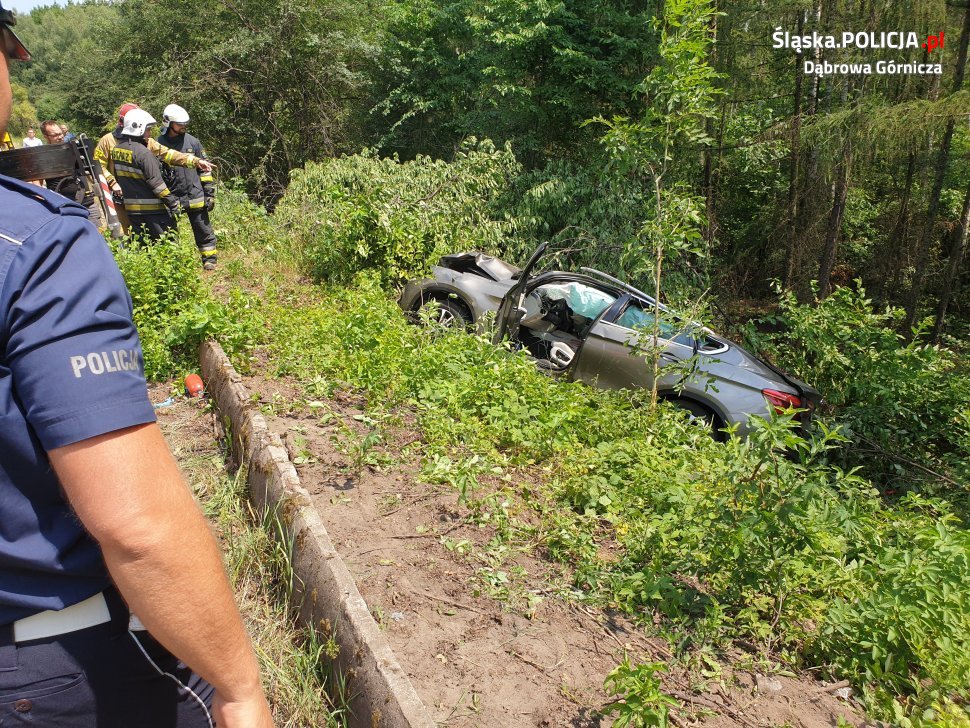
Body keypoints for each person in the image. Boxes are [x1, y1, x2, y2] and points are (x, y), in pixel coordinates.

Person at [0, 5, 274, 727]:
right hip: (55, 671)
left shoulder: (134, 145)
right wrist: (241, 689)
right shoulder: (36, 248)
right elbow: (137, 525)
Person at [95, 102, 213, 233]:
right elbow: (98, 165)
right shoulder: (107, 141)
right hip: (120, 197)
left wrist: (195, 161)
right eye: (148, 128)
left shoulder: (146, 142)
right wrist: (112, 182)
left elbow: (168, 154)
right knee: (125, 232)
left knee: (138, 236)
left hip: (139, 199)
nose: (150, 132)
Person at [159, 103, 218, 269]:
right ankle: (173, 264)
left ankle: (209, 260)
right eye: (179, 124)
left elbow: (205, 171)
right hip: (171, 197)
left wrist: (209, 194)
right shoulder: (158, 145)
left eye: (185, 124)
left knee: (203, 230)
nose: (183, 127)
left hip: (195, 196)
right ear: (168, 123)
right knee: (169, 233)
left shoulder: (193, 142)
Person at [112, 108, 182, 242]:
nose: (149, 133)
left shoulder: (117, 150)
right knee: (168, 244)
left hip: (133, 211)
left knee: (144, 247)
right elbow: (156, 183)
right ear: (138, 128)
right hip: (154, 212)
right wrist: (173, 204)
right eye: (148, 129)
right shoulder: (143, 153)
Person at [40, 118, 105, 229]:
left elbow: (90, 171)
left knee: (99, 235)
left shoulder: (73, 149)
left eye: (60, 133)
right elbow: (37, 184)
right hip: (65, 207)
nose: (60, 136)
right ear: (46, 137)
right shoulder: (43, 156)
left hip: (87, 203)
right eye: (55, 135)